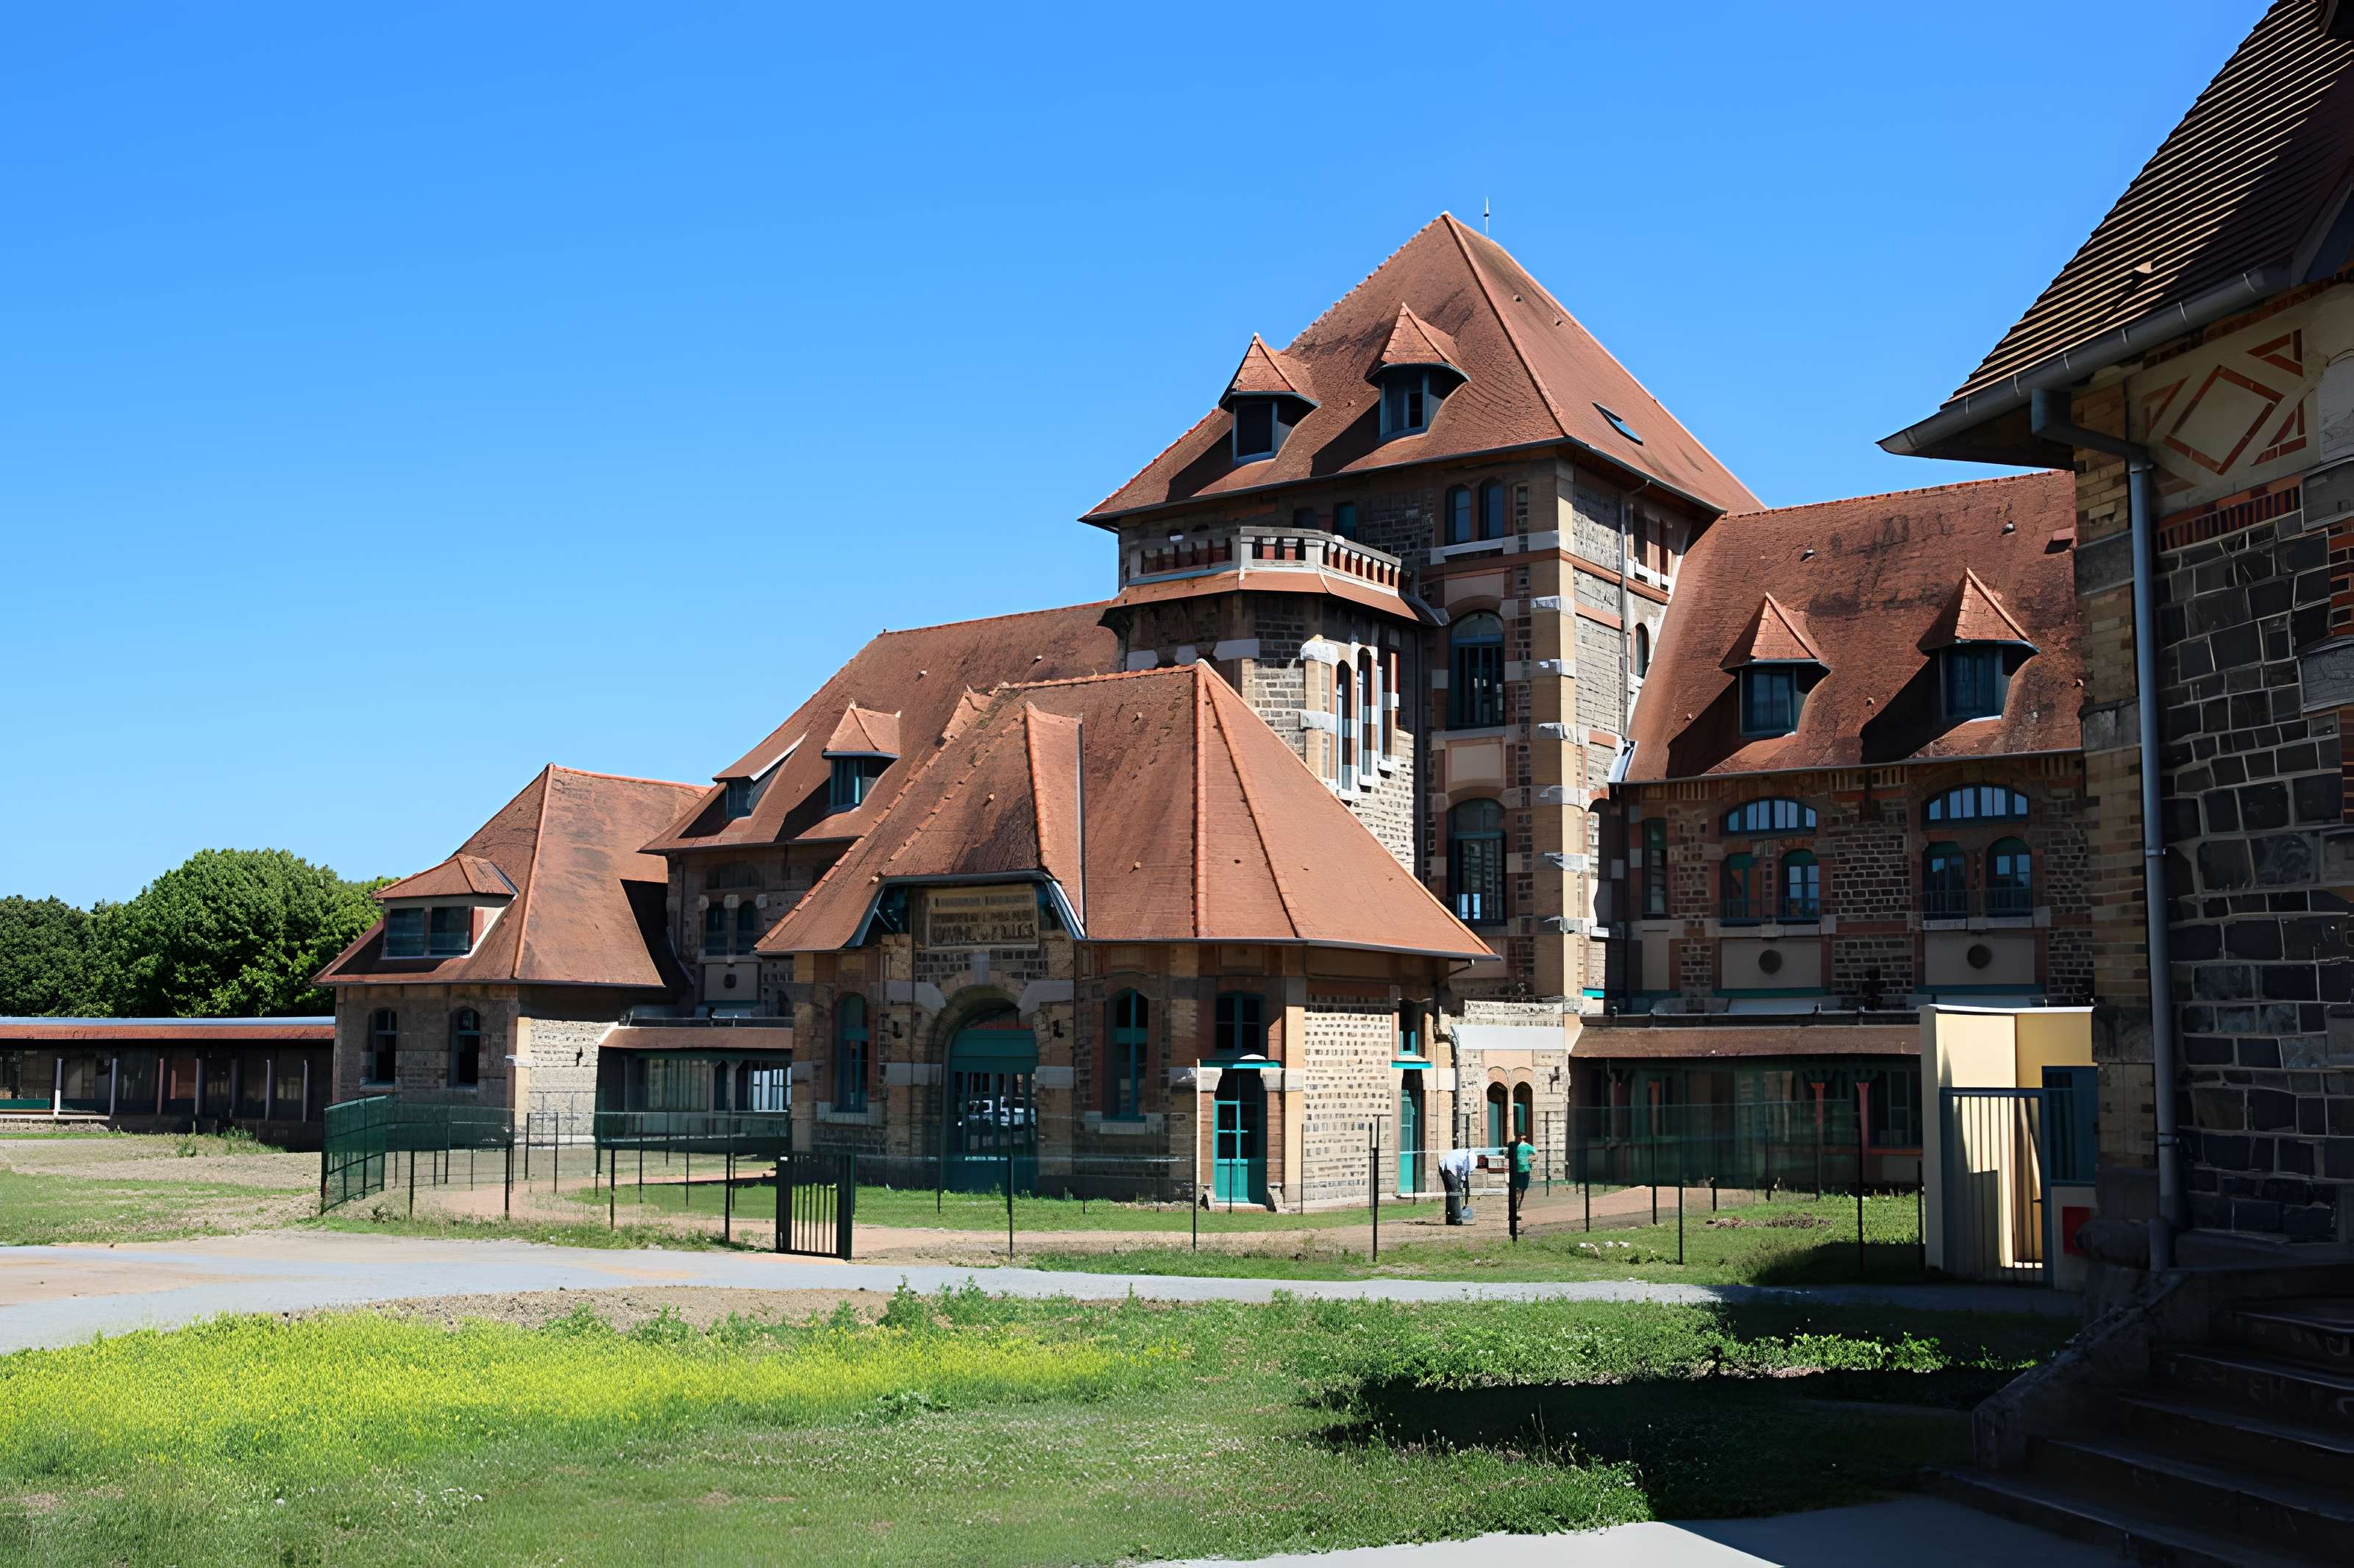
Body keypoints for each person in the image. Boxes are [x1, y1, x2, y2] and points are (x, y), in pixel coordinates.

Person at [1437, 1145, 1475, 1225]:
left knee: (1450, 1193)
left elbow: (1464, 1176)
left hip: (1444, 1167)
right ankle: (1457, 1219)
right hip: (1448, 1169)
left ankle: (1450, 1219)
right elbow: (1464, 1175)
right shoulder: (1467, 1158)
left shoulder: (1465, 1155)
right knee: (1456, 1193)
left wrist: (1467, 1191)